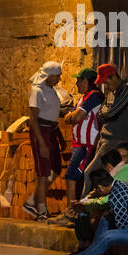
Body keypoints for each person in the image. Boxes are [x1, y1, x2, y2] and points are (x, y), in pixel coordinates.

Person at [50, 67, 103, 225]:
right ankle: (73, 213)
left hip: (87, 146)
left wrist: (72, 116)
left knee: (72, 176)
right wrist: (72, 116)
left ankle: (72, 214)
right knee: (74, 178)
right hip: (79, 145)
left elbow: (75, 117)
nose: (76, 83)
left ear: (87, 81)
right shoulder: (84, 98)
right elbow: (70, 116)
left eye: (79, 80)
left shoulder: (94, 96)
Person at [81, 63, 128, 190]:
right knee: (99, 176)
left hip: (115, 139)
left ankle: (83, 208)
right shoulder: (110, 91)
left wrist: (106, 113)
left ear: (113, 77)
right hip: (104, 138)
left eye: (106, 82)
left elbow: (112, 113)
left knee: (89, 173)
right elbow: (101, 114)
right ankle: (95, 206)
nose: (105, 85)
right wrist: (106, 113)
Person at [22, 62, 65, 222]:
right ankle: (41, 211)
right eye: (57, 75)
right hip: (41, 132)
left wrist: (59, 138)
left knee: (55, 168)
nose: (59, 79)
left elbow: (52, 115)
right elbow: (33, 119)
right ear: (49, 75)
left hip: (51, 131)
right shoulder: (37, 91)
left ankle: (33, 200)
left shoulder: (51, 91)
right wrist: (41, 143)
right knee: (43, 173)